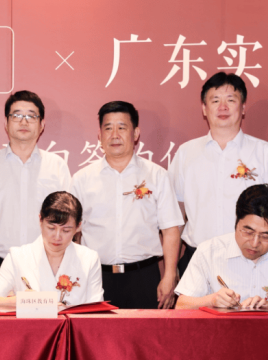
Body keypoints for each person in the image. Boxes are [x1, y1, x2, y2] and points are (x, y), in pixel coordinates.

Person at [168, 72, 268, 277]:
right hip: (197, 259)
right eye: (215, 100)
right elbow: (175, 216)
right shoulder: (186, 153)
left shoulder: (264, 152)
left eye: (231, 100)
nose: (223, 107)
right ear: (204, 108)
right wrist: (170, 270)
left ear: (242, 108)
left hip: (251, 259)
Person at [70, 101, 184, 309]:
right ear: (99, 135)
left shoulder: (157, 176)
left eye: (122, 127)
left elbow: (170, 230)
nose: (114, 135)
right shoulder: (82, 179)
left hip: (143, 278)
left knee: (144, 331)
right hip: (96, 277)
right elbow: (73, 233)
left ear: (136, 133)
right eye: (108, 128)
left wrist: (169, 276)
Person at [0, 91, 71, 295]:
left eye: (31, 116)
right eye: (16, 115)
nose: (24, 121)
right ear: (6, 123)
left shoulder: (57, 166)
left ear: (42, 124)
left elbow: (68, 221)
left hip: (47, 264)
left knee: (47, 317)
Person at [175, 184, 268, 309]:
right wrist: (211, 301)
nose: (254, 243)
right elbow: (181, 306)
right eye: (248, 232)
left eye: (266, 236)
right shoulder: (209, 250)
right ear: (236, 222)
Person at [0, 192, 103, 309]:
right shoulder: (18, 256)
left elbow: (97, 310)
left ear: (78, 227)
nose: (57, 236)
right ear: (40, 220)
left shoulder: (89, 259)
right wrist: (21, 301)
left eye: (66, 230)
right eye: (51, 228)